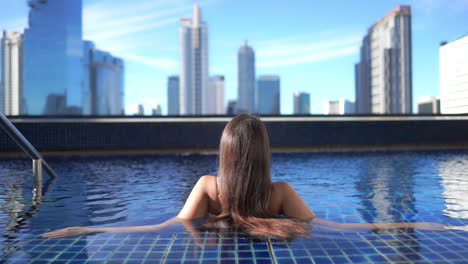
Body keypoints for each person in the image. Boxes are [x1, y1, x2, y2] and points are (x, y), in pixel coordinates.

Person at [42, 114, 464, 239]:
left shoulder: (209, 186)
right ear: (264, 153)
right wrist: (410, 223)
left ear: (225, 152)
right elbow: (337, 226)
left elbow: (167, 225)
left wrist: (90, 229)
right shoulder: (280, 192)